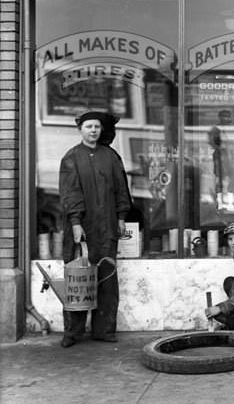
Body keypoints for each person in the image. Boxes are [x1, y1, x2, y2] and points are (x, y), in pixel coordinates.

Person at [58, 111, 131, 347]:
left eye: (97, 127)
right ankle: (73, 332)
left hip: (107, 227)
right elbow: (70, 194)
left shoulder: (111, 157)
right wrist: (76, 223)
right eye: (89, 126)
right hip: (81, 229)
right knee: (78, 278)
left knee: (107, 278)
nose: (93, 130)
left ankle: (104, 330)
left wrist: (120, 218)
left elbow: (121, 190)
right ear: (80, 129)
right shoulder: (71, 158)